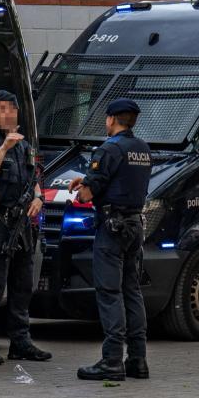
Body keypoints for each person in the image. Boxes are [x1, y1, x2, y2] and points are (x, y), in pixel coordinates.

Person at [68, 98, 152, 381]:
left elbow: (87, 195)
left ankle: (112, 360)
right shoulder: (142, 149)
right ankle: (138, 360)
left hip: (112, 228)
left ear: (112, 119)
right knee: (132, 291)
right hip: (134, 225)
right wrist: (88, 179)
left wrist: (84, 188)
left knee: (109, 293)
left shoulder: (108, 149)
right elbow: (122, 180)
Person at [0, 90, 51, 365]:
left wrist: (38, 198)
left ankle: (20, 341)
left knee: (22, 284)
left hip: (22, 224)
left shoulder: (24, 145)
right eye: (1, 109)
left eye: (11, 109)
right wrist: (3, 147)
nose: (6, 113)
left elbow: (33, 178)